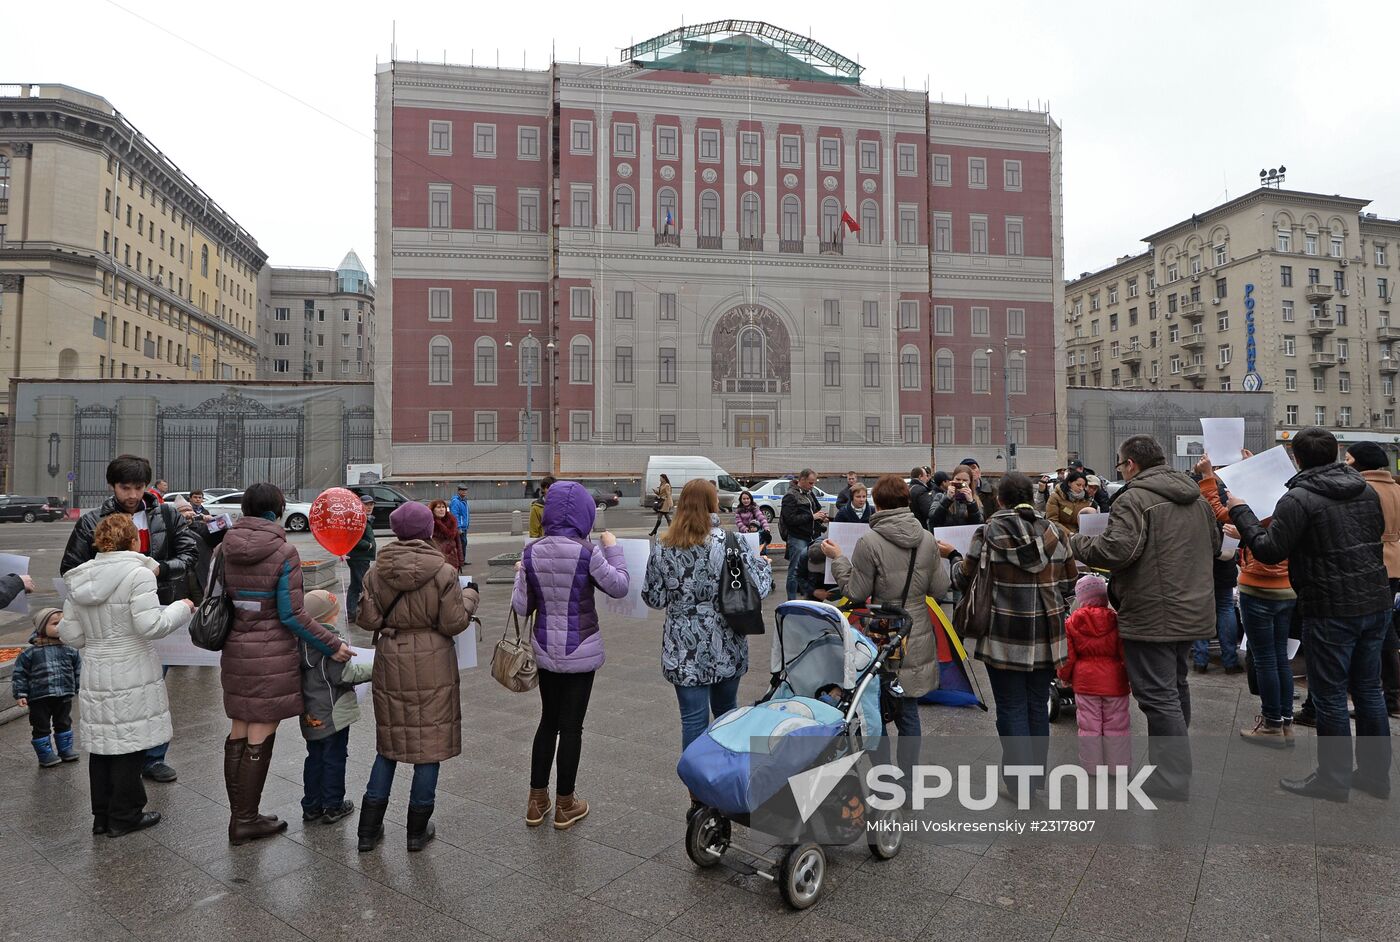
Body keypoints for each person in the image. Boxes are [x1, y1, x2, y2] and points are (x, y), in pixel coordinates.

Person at [1228, 428, 1392, 801]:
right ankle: (1374, 777)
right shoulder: (1364, 489)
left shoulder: (1298, 498)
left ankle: (1333, 780)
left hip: (1330, 606)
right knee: (1368, 691)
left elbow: (1270, 550)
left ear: (1296, 458)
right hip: (1374, 601)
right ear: (1337, 454)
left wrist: (1241, 511)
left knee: (1331, 694)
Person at [1070, 435, 1218, 801]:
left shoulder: (1134, 498)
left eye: (1121, 465)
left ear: (1131, 464)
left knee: (1157, 695)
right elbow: (1215, 545)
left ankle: (1172, 776)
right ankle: (1172, 767)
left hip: (1153, 611)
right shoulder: (1196, 497)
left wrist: (1078, 543)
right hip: (1192, 607)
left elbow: (1118, 550)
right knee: (1175, 686)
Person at [220, 483, 353, 845]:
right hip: (271, 656)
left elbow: (216, 600)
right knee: (260, 733)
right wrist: (332, 644)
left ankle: (240, 815)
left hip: (235, 650)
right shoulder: (284, 552)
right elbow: (292, 615)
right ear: (277, 511)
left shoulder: (224, 548)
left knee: (238, 730)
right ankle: (245, 819)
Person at [61, 454, 198, 785]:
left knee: (153, 688)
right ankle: (123, 755)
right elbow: (70, 569)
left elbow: (189, 555)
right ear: (112, 485)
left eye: (139, 487)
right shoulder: (93, 519)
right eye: (125, 487)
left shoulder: (166, 514)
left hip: (160, 607)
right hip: (112, 622)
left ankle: (153, 757)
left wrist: (161, 569)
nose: (133, 494)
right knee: (123, 691)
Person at [58, 514, 195, 837]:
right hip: (131, 665)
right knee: (130, 743)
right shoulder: (138, 575)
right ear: (134, 541)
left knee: (103, 742)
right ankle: (126, 814)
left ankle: (102, 816)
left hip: (96, 666)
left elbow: (71, 636)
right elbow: (152, 626)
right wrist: (180, 608)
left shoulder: (80, 579)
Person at [355, 501, 479, 852]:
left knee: (389, 745)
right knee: (429, 747)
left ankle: (367, 831)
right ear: (427, 530)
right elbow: (454, 622)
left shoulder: (375, 571)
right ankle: (416, 832)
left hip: (391, 657)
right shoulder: (444, 571)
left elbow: (367, 619)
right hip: (432, 660)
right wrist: (470, 597)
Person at [644, 479, 773, 811]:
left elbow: (653, 597)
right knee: (727, 714)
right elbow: (758, 588)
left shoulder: (663, 544)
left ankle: (697, 795)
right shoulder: (728, 541)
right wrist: (761, 563)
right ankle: (727, 782)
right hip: (724, 641)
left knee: (692, 721)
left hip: (682, 646)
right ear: (714, 504)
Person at [953, 473, 1079, 800]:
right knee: (1037, 705)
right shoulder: (1057, 531)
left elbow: (964, 577)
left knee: (1010, 706)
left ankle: (1018, 781)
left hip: (1002, 633)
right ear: (1032, 498)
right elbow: (1070, 583)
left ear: (1000, 500)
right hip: (1047, 633)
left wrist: (951, 559)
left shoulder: (989, 530)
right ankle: (1033, 779)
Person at [513, 481, 629, 829]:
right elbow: (619, 586)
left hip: (546, 648)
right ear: (584, 513)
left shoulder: (532, 551)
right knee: (572, 728)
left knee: (548, 721)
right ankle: (565, 804)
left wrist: (522, 576)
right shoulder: (586, 551)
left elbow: (522, 606)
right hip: (581, 648)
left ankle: (536, 802)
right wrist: (614, 549)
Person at [823, 474, 951, 774]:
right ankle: (907, 782)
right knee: (909, 713)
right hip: (916, 629)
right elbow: (939, 590)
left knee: (874, 710)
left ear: (877, 504)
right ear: (906, 501)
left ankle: (883, 776)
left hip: (881, 634)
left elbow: (854, 593)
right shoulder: (926, 539)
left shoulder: (869, 542)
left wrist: (839, 559)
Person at [1196, 453, 1296, 744]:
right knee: (1280, 657)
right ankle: (1286, 721)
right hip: (1288, 588)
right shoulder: (1291, 502)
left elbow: (1219, 509)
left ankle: (1271, 723)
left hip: (1258, 586)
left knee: (1264, 657)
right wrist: (1257, 467)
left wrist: (1207, 478)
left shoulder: (1255, 508)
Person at [298, 589, 373, 826]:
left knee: (315, 758)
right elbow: (345, 675)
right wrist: (375, 667)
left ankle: (311, 806)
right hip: (334, 712)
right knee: (335, 759)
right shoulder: (332, 645)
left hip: (311, 713)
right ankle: (333, 805)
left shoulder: (300, 643)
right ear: (330, 616)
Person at [1347, 442, 1400, 718]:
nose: (1344, 463)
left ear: (1358, 462)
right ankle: (1392, 695)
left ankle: (1375, 696)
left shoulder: (1362, 491)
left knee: (1369, 632)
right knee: (1386, 628)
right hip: (1393, 564)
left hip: (1368, 564)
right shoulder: (1395, 488)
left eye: (1347, 458)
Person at [1060, 575, 1131, 773]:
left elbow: (1067, 658)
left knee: (1089, 728)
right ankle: (1117, 767)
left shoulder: (1072, 623)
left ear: (1080, 598)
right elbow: (1126, 653)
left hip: (1086, 684)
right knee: (1117, 727)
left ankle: (1092, 767)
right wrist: (1131, 677)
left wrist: (1064, 677)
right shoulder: (1117, 621)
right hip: (1115, 683)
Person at [13, 606, 80, 768]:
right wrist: (21, 693)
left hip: (64, 694)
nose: (60, 626)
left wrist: (80, 688)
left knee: (64, 722)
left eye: (63, 622)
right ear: (42, 627)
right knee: (41, 726)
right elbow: (19, 674)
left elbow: (78, 671)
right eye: (55, 623)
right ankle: (45, 754)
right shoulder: (30, 653)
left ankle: (65, 749)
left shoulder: (70, 650)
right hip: (38, 697)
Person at [1192, 507, 1242, 676]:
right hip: (1224, 569)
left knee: (1201, 611)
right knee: (1226, 608)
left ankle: (1200, 661)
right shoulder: (1228, 508)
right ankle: (1230, 661)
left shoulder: (1196, 505)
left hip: (1200, 568)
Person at [780, 469, 828, 600]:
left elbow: (817, 509)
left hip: (811, 536)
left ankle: (808, 597)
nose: (813, 486)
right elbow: (790, 520)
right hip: (797, 537)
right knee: (795, 571)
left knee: (811, 569)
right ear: (802, 480)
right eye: (811, 483)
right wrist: (812, 516)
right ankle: (791, 600)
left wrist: (821, 517)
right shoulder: (790, 496)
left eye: (814, 483)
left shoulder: (809, 493)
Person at [345, 494, 376, 623]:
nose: (369, 507)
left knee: (356, 585)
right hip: (359, 556)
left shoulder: (363, 518)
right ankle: (358, 614)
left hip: (360, 556)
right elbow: (352, 536)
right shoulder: (357, 518)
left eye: (371, 504)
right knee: (361, 585)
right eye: (366, 504)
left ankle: (353, 613)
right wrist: (367, 545)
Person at [1045, 469, 1093, 534]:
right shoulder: (1056, 497)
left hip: (1080, 535)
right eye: (1078, 485)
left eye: (1083, 486)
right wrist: (1069, 533)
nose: (1081, 488)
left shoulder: (1086, 500)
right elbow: (1052, 521)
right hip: (1061, 535)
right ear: (1069, 483)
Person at [428, 499, 464, 571]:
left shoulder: (452, 521)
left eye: (443, 507)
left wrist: (460, 560)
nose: (442, 509)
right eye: (438, 507)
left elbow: (458, 543)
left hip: (453, 560)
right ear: (433, 509)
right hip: (438, 561)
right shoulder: (430, 523)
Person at [733, 490, 771, 555]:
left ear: (751, 499)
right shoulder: (738, 510)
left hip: (755, 535)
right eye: (744, 499)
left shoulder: (754, 508)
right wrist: (745, 529)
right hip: (744, 535)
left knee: (758, 553)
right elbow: (738, 522)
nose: (746, 500)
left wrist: (766, 527)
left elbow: (761, 518)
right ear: (741, 500)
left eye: (748, 498)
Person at [450, 484, 471, 566]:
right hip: (460, 528)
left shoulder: (464, 500)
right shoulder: (456, 501)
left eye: (465, 490)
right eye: (462, 490)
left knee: (463, 543)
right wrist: (458, 527)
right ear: (459, 491)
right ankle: (459, 561)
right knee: (461, 544)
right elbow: (455, 515)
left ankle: (462, 560)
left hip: (464, 527)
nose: (464, 492)